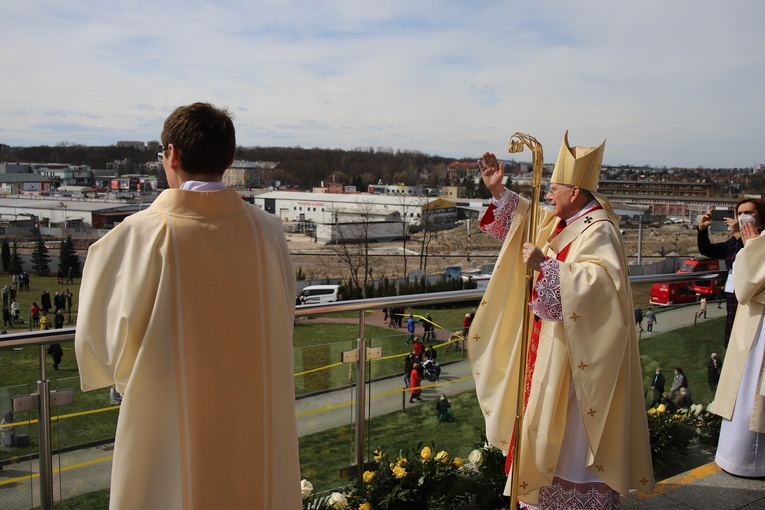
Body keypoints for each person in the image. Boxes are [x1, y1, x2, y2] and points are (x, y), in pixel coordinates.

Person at [74, 103, 301, 509]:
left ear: (172, 155)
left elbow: (103, 344)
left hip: (168, 416)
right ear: (230, 160)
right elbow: (286, 312)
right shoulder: (266, 229)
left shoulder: (143, 232)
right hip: (255, 412)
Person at [470, 132, 654, 508]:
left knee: (568, 438)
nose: (549, 195)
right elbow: (529, 219)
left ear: (575, 192)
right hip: (550, 349)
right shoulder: (565, 219)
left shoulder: (599, 229)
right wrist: (498, 192)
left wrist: (547, 268)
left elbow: (602, 284)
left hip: (577, 363)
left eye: (554, 189)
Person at [709, 220, 765, 477]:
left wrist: (752, 247)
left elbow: (745, 287)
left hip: (759, 321)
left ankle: (746, 461)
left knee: (749, 394)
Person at [697, 199, 765, 348]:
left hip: (753, 298)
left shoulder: (761, 236)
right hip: (734, 296)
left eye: (748, 212)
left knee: (750, 341)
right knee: (735, 342)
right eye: (739, 213)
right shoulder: (734, 241)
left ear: (760, 214)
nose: (743, 216)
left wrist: (737, 234)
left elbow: (752, 259)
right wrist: (702, 230)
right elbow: (707, 250)